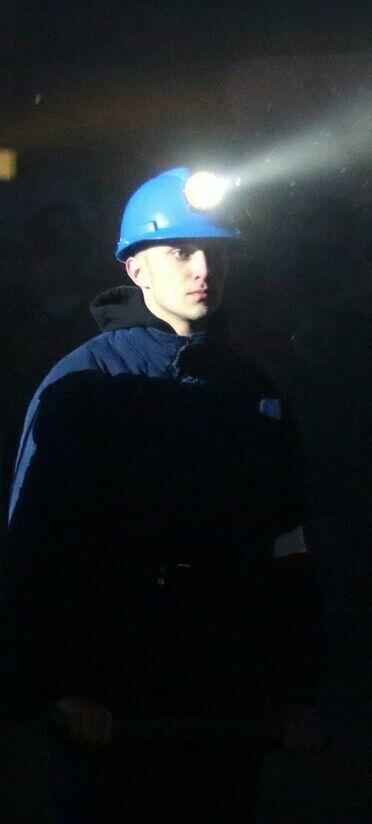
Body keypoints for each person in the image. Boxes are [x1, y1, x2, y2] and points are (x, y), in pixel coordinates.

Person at [1, 167, 323, 823]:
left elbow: (288, 549)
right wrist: (59, 687)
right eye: (180, 251)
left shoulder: (252, 391)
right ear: (135, 268)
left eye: (216, 252)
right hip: (111, 703)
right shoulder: (83, 387)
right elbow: (35, 543)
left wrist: (295, 691)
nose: (203, 268)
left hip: (223, 697)